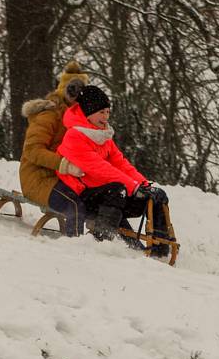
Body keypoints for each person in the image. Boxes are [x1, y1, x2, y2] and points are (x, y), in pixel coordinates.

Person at [55, 85, 172, 255]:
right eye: (101, 112)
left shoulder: (102, 136)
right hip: (82, 195)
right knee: (117, 190)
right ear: (88, 112)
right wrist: (133, 187)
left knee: (156, 195)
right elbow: (100, 169)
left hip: (108, 195)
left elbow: (121, 163)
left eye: (108, 112)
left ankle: (160, 249)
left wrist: (143, 185)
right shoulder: (74, 136)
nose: (106, 116)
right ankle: (101, 240)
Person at [19, 61, 89, 236]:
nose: (77, 96)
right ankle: (77, 248)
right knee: (74, 205)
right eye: (73, 90)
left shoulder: (83, 119)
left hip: (65, 178)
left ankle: (113, 247)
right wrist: (63, 164)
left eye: (82, 91)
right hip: (38, 178)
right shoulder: (50, 115)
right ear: (65, 89)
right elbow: (33, 151)